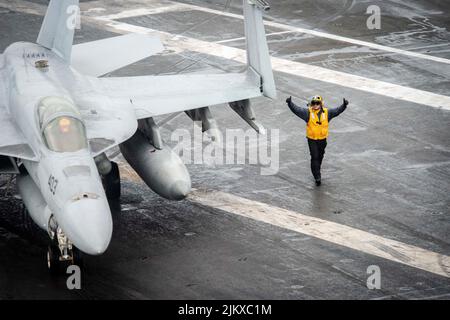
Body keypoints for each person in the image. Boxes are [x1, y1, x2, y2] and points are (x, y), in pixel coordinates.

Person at [286, 95, 348, 186]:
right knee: (314, 157)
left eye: (317, 103)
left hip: (323, 139)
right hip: (312, 140)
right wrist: (290, 103)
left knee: (320, 156)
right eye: (313, 103)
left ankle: (317, 169)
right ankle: (317, 177)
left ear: (321, 104)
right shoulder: (307, 113)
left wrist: (344, 105)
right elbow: (297, 110)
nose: (315, 105)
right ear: (311, 104)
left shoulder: (327, 113)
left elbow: (337, 111)